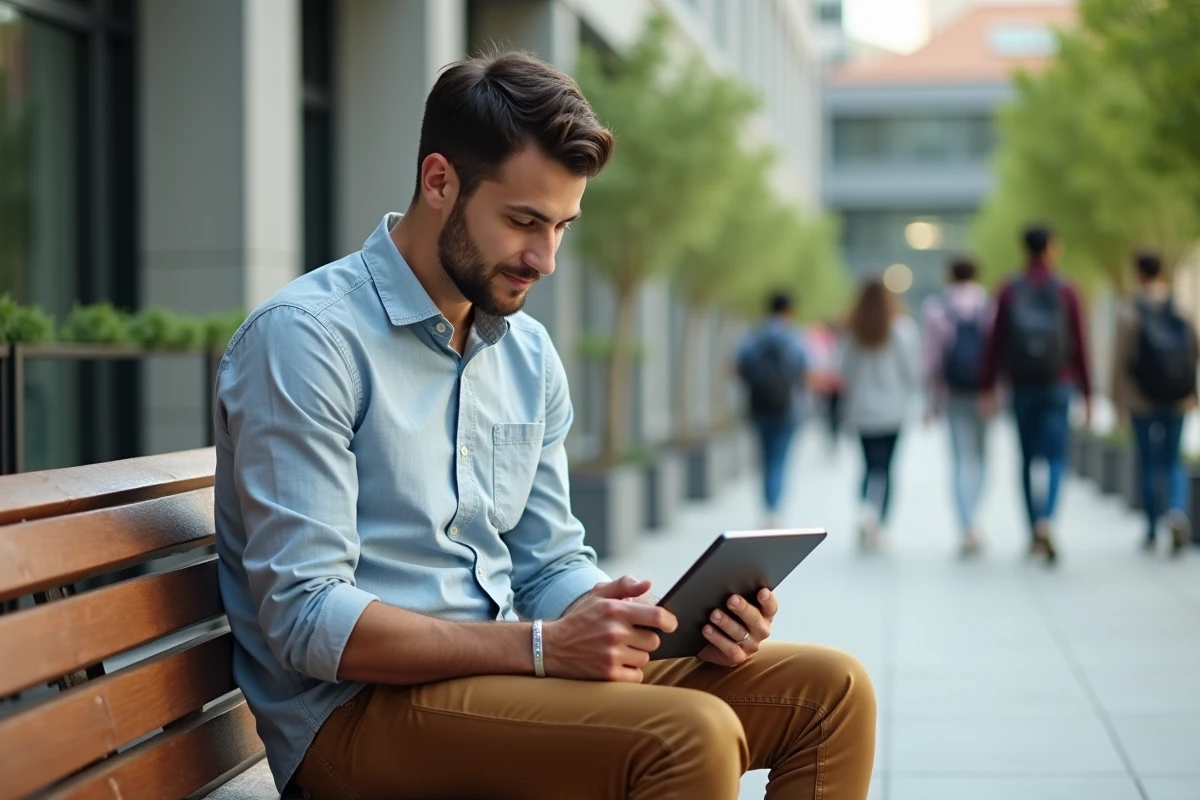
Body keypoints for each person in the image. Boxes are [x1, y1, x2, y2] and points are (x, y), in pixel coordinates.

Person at [213, 51, 875, 800]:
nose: (546, 258)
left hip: (503, 680)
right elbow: (306, 619)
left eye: (562, 226)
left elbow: (548, 563)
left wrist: (627, 619)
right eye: (524, 221)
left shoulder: (524, 352)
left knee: (832, 692)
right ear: (439, 182)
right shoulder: (306, 341)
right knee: (690, 734)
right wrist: (539, 647)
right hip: (354, 719)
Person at [981, 224, 1093, 565]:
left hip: (1021, 384)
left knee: (1027, 459)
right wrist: (1088, 392)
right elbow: (1080, 344)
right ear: (1051, 248)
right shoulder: (1066, 289)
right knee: (1056, 457)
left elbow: (995, 342)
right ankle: (1047, 521)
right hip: (1058, 383)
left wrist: (988, 386)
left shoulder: (1009, 288)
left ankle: (1033, 530)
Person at [1111, 251, 1197, 556]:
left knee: (1148, 462)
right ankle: (1176, 512)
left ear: (1138, 273)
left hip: (1141, 399)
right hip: (1178, 397)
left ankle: (1150, 529)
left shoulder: (1129, 312)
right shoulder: (1181, 308)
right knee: (1173, 459)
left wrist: (1117, 401)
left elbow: (1120, 361)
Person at [841, 276, 921, 549]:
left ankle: (866, 511)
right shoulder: (902, 329)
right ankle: (881, 524)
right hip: (893, 410)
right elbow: (912, 371)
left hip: (862, 410)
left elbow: (844, 370)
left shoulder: (853, 330)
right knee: (887, 468)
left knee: (867, 466)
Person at [922, 256, 992, 556]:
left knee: (960, 460)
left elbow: (931, 359)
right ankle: (973, 519)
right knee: (981, 459)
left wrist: (931, 399)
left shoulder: (937, 309)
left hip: (951, 394)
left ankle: (966, 526)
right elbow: (996, 354)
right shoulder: (989, 307)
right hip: (984, 394)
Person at [736, 292, 809, 528]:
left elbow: (737, 365)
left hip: (759, 407)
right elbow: (806, 370)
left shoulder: (755, 335)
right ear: (789, 310)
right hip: (788, 409)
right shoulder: (793, 336)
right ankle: (774, 509)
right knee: (779, 459)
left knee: (765, 459)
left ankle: (767, 508)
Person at [807, 318, 847, 454]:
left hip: (830, 384)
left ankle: (832, 433)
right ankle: (833, 434)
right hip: (834, 384)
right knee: (833, 412)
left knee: (830, 412)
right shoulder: (836, 342)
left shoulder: (826, 342)